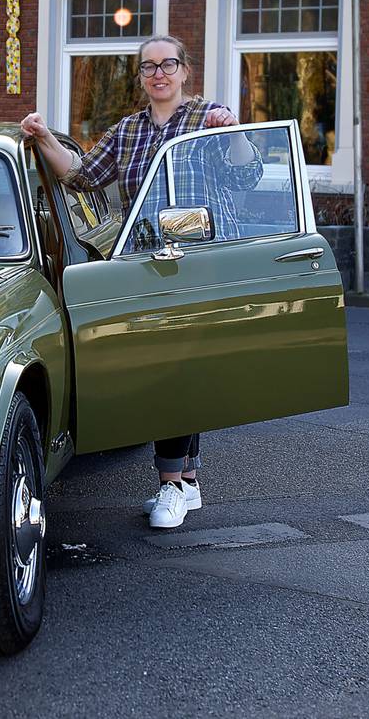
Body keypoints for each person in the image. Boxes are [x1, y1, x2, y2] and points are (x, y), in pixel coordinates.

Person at [20, 34, 263, 530]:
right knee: (173, 367)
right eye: (148, 67)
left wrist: (234, 132)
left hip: (204, 264)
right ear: (141, 78)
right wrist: (44, 137)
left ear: (184, 71)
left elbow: (247, 176)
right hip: (152, 264)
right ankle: (186, 480)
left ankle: (173, 484)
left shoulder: (207, 118)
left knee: (181, 369)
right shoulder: (128, 130)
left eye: (168, 64)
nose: (159, 74)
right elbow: (83, 176)